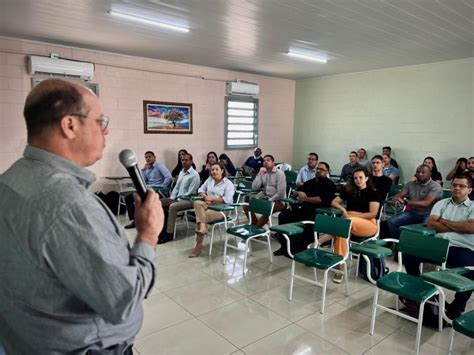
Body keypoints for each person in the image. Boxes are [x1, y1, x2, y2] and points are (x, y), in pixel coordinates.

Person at [0, 79, 163, 354]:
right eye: (100, 120)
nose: (106, 129)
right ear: (70, 125)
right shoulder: (70, 206)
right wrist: (147, 233)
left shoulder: (11, 179)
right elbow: (124, 300)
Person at [403, 175, 473, 320]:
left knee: (471, 271)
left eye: (461, 186)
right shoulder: (442, 203)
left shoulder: (473, 207)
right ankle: (419, 292)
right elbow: (431, 224)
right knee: (409, 253)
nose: (456, 188)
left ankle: (456, 308)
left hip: (461, 248)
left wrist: (443, 221)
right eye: (454, 185)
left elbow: (470, 228)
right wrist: (459, 227)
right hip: (438, 244)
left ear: (470, 190)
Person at [322, 168, 380, 283]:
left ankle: (321, 240)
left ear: (366, 178)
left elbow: (372, 213)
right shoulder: (349, 190)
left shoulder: (373, 192)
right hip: (348, 222)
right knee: (341, 235)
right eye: (355, 178)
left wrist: (351, 217)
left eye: (360, 177)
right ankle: (339, 268)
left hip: (368, 223)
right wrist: (342, 208)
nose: (358, 180)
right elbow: (333, 202)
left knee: (345, 223)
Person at [274, 162, 336, 257]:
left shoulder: (329, 184)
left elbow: (321, 200)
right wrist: (298, 193)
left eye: (322, 169)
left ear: (327, 171)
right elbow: (295, 191)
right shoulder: (311, 181)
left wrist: (305, 198)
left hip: (319, 211)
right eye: (317, 169)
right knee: (283, 216)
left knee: (308, 223)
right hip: (304, 208)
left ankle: (303, 249)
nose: (318, 171)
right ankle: (284, 246)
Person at [189, 162, 235, 257]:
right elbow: (200, 190)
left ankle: (198, 245)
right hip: (208, 204)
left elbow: (227, 200)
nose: (214, 171)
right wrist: (206, 196)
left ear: (222, 171)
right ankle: (203, 228)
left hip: (222, 209)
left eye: (216, 169)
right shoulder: (210, 180)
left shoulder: (228, 184)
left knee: (201, 217)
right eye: (212, 170)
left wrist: (212, 199)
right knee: (197, 203)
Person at [386, 164, 443, 239]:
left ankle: (411, 244)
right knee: (391, 222)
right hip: (412, 213)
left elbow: (426, 203)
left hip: (429, 214)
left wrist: (406, 202)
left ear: (430, 174)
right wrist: (396, 198)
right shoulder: (410, 184)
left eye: (423, 172)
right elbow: (399, 194)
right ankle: (401, 242)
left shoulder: (435, 186)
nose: (420, 174)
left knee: (424, 230)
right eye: (418, 172)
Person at [159, 153, 201, 244]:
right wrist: (172, 198)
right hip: (177, 198)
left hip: (189, 200)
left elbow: (191, 192)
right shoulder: (182, 172)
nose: (184, 162)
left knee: (173, 206)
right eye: (183, 160)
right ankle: (161, 229)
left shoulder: (195, 175)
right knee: (158, 203)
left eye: (187, 160)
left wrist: (177, 199)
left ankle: (169, 233)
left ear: (191, 161)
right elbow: (176, 187)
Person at [124, 151, 172, 229]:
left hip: (157, 191)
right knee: (129, 198)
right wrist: (144, 170)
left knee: (139, 199)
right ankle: (136, 220)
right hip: (148, 189)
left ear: (154, 157)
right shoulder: (148, 168)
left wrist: (162, 187)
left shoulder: (159, 166)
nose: (148, 158)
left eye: (149, 156)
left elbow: (168, 177)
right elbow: (142, 181)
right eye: (146, 157)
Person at [246, 154, 286, 227]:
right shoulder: (264, 173)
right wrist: (259, 174)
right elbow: (254, 187)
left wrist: (270, 200)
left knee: (267, 208)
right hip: (266, 198)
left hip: (279, 201)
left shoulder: (280, 174)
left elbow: (281, 193)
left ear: (273, 163)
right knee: (246, 205)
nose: (265, 162)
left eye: (268, 160)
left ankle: (257, 228)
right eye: (264, 161)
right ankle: (255, 225)